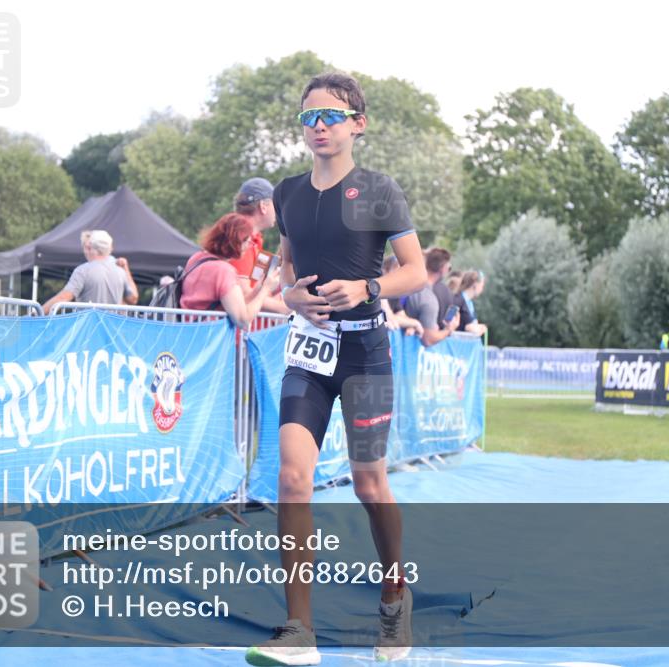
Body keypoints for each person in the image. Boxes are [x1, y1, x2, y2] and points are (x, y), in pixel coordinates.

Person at [246, 72, 427, 667]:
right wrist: (291, 296)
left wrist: (368, 286)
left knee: (369, 482)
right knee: (292, 480)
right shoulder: (289, 192)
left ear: (357, 123)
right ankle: (300, 631)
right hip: (307, 351)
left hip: (366, 352)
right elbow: (286, 264)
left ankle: (394, 594)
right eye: (308, 118)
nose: (318, 127)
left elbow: (415, 271)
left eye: (330, 116)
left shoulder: (380, 190)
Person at [179, 213, 279, 329]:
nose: (248, 246)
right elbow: (243, 320)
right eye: (246, 240)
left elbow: (234, 303)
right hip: (210, 339)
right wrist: (265, 290)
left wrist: (258, 289)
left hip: (188, 333)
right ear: (235, 242)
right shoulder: (224, 271)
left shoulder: (197, 258)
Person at [232, 177, 290, 315]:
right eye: (275, 204)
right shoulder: (242, 239)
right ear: (263, 206)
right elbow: (243, 295)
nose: (278, 211)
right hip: (241, 333)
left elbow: (254, 286)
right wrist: (284, 308)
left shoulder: (251, 238)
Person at [43, 230, 138, 312]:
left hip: (89, 330)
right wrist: (126, 269)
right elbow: (133, 299)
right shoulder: (121, 271)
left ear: (89, 247)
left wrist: (37, 313)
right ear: (110, 248)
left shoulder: (83, 271)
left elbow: (63, 298)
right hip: (113, 331)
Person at [403, 247, 460, 347]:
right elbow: (428, 339)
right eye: (449, 268)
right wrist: (448, 330)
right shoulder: (429, 300)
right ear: (443, 269)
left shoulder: (409, 284)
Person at [381, 254, 424, 337]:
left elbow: (401, 315)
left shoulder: (394, 293)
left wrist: (409, 324)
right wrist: (415, 323)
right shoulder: (376, 292)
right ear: (385, 271)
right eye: (397, 271)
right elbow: (389, 318)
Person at [455, 270, 488, 336]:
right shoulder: (458, 300)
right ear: (475, 285)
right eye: (482, 286)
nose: (482, 289)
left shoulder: (469, 303)